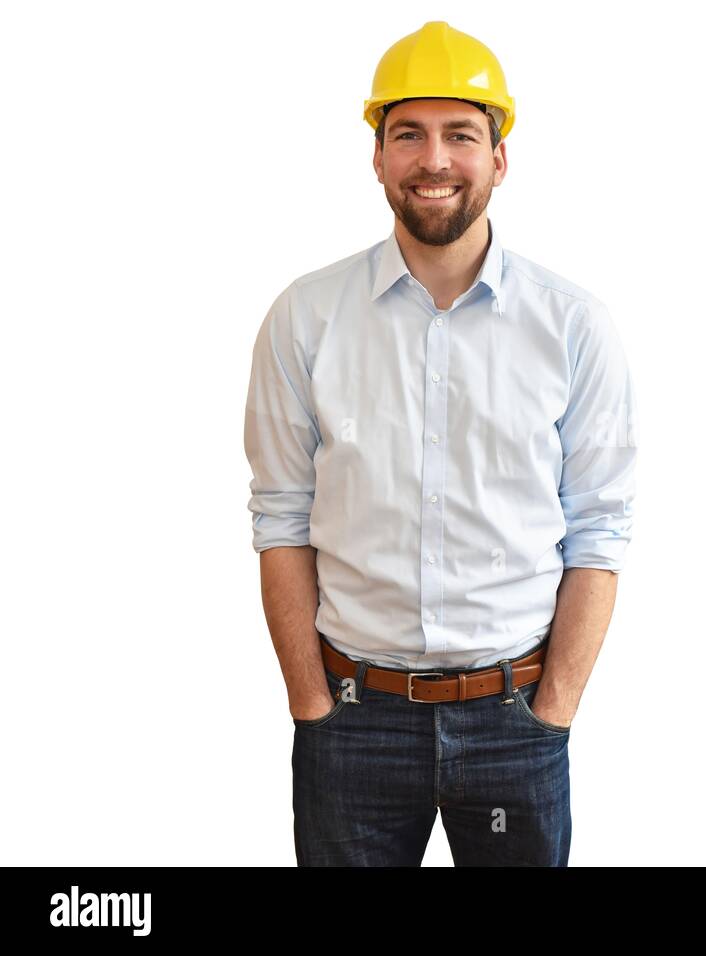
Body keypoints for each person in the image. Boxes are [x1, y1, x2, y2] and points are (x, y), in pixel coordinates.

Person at [242, 21, 638, 867]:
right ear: (378, 156)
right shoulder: (304, 320)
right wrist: (311, 705)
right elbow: (280, 516)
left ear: (500, 157)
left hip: (514, 723)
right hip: (352, 724)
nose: (435, 160)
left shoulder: (573, 328)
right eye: (408, 134)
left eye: (461, 134)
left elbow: (600, 528)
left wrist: (555, 706)